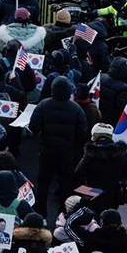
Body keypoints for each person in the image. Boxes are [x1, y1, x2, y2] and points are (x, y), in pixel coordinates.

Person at [29, 76, 87, 217]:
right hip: (67, 154)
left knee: (43, 183)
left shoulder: (43, 105)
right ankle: (64, 213)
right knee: (65, 185)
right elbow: (83, 135)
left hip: (46, 152)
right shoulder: (76, 109)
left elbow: (33, 128)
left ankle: (41, 212)